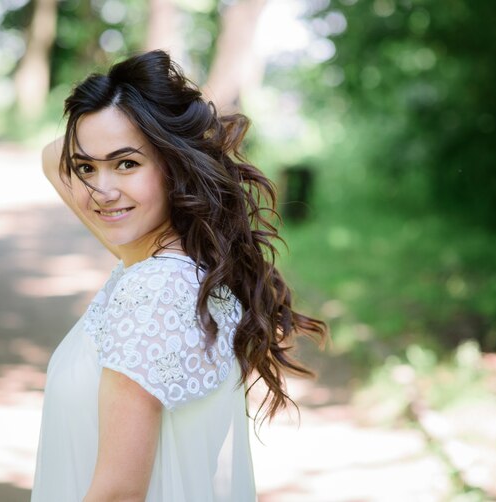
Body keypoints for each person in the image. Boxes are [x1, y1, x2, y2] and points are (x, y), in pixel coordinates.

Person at [31, 50, 326, 502]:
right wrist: (124, 107)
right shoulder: (180, 267)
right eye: (87, 167)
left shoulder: (154, 291)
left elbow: (118, 493)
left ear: (173, 165)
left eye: (127, 163)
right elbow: (55, 157)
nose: (102, 191)